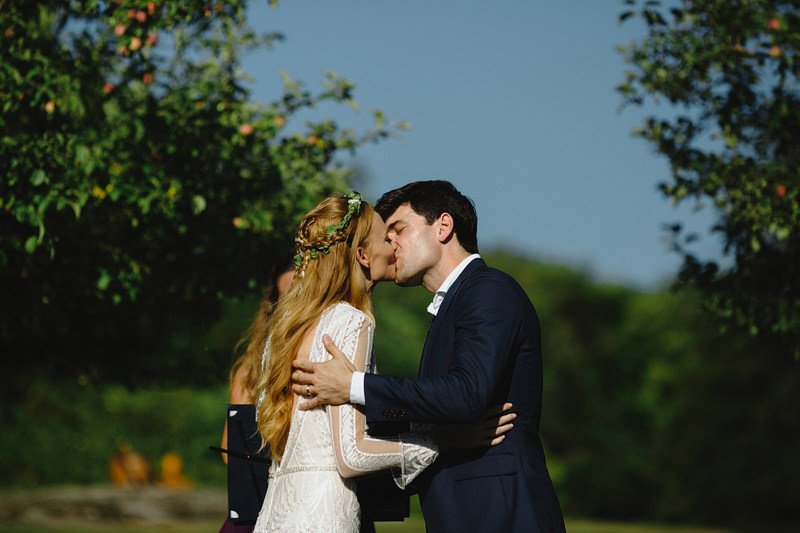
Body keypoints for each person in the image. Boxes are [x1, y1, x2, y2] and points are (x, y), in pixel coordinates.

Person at [291, 181, 566, 533]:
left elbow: (466, 395)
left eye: (399, 230)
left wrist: (354, 386)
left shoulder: (490, 290)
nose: (390, 244)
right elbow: (422, 410)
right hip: (459, 509)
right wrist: (360, 414)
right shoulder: (448, 311)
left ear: (444, 226)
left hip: (500, 508)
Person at [252, 192, 513, 532]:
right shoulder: (350, 322)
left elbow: (348, 421)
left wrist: (417, 424)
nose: (393, 245)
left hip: (275, 513)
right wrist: (445, 440)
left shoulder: (284, 330)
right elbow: (352, 454)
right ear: (362, 254)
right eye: (385, 237)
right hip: (325, 514)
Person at [219, 254, 295, 533]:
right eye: (287, 300)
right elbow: (232, 450)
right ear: (272, 307)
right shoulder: (250, 371)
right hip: (260, 504)